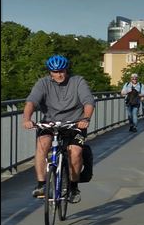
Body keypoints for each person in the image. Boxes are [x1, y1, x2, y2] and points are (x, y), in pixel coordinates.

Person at [22, 55, 94, 202]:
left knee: (75, 151)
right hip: (50, 123)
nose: (59, 74)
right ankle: (41, 184)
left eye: (62, 71)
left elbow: (88, 101)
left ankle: (73, 188)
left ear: (66, 70)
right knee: (42, 144)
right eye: (55, 72)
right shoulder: (43, 83)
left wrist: (85, 118)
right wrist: (27, 119)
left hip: (75, 124)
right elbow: (31, 102)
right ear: (50, 72)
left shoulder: (77, 81)